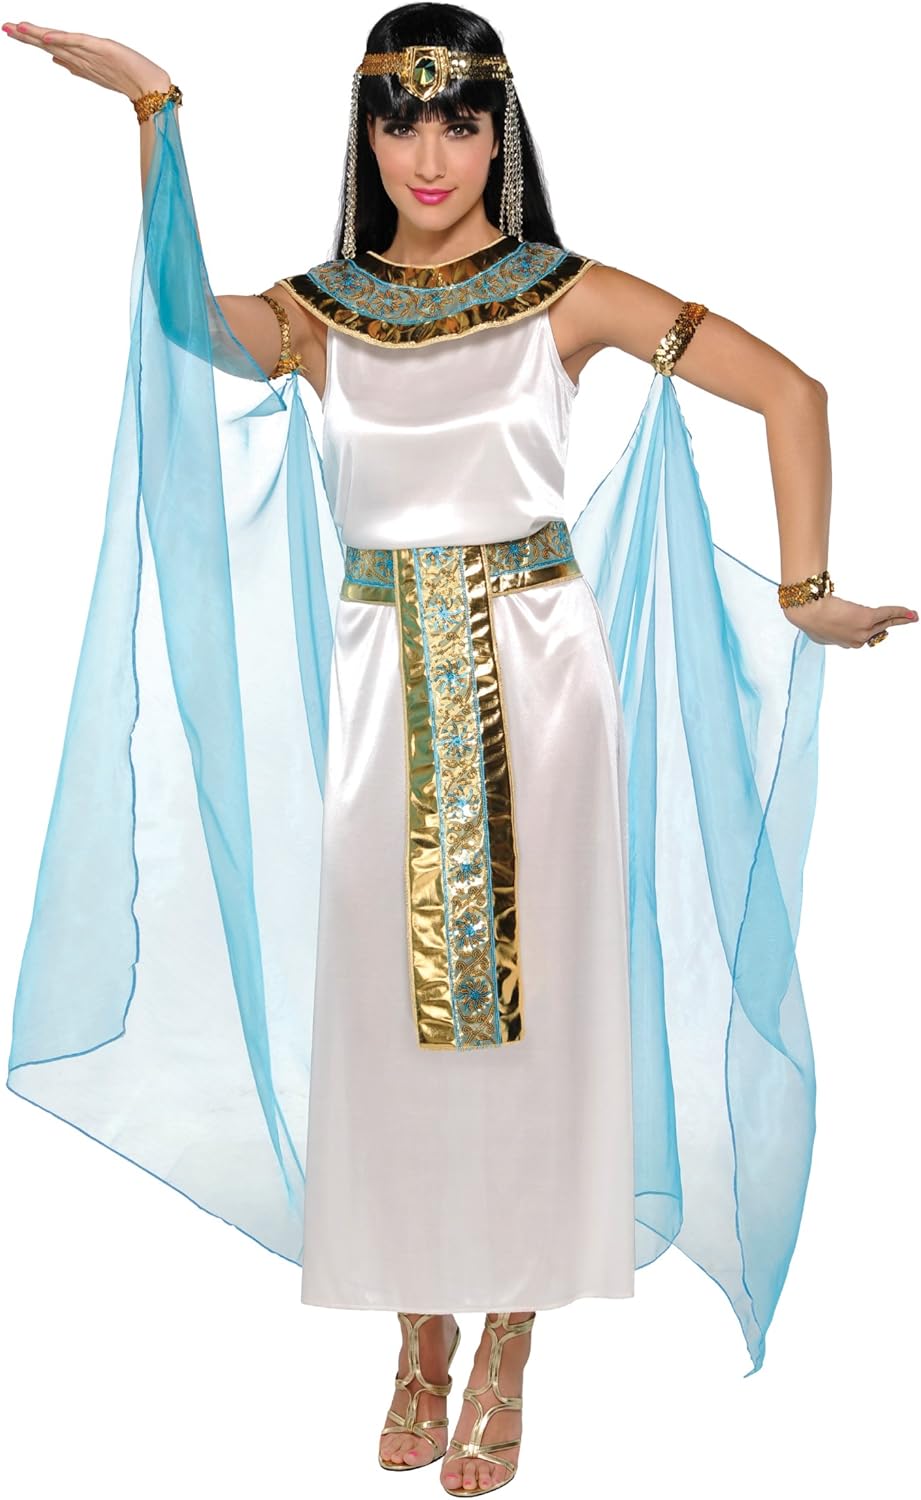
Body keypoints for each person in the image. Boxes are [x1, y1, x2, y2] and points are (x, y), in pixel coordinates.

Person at [4, 6, 917, 1495]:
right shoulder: (322, 315)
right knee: (389, 1011)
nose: (429, 155)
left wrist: (807, 591)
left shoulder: (569, 295)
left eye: (459, 121)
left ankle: (508, 1337)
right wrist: (157, 115)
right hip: (384, 688)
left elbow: (790, 392)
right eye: (398, 123)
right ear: (364, 136)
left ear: (502, 131)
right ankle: (416, 1320)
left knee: (535, 1018)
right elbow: (178, 327)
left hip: (539, 684)